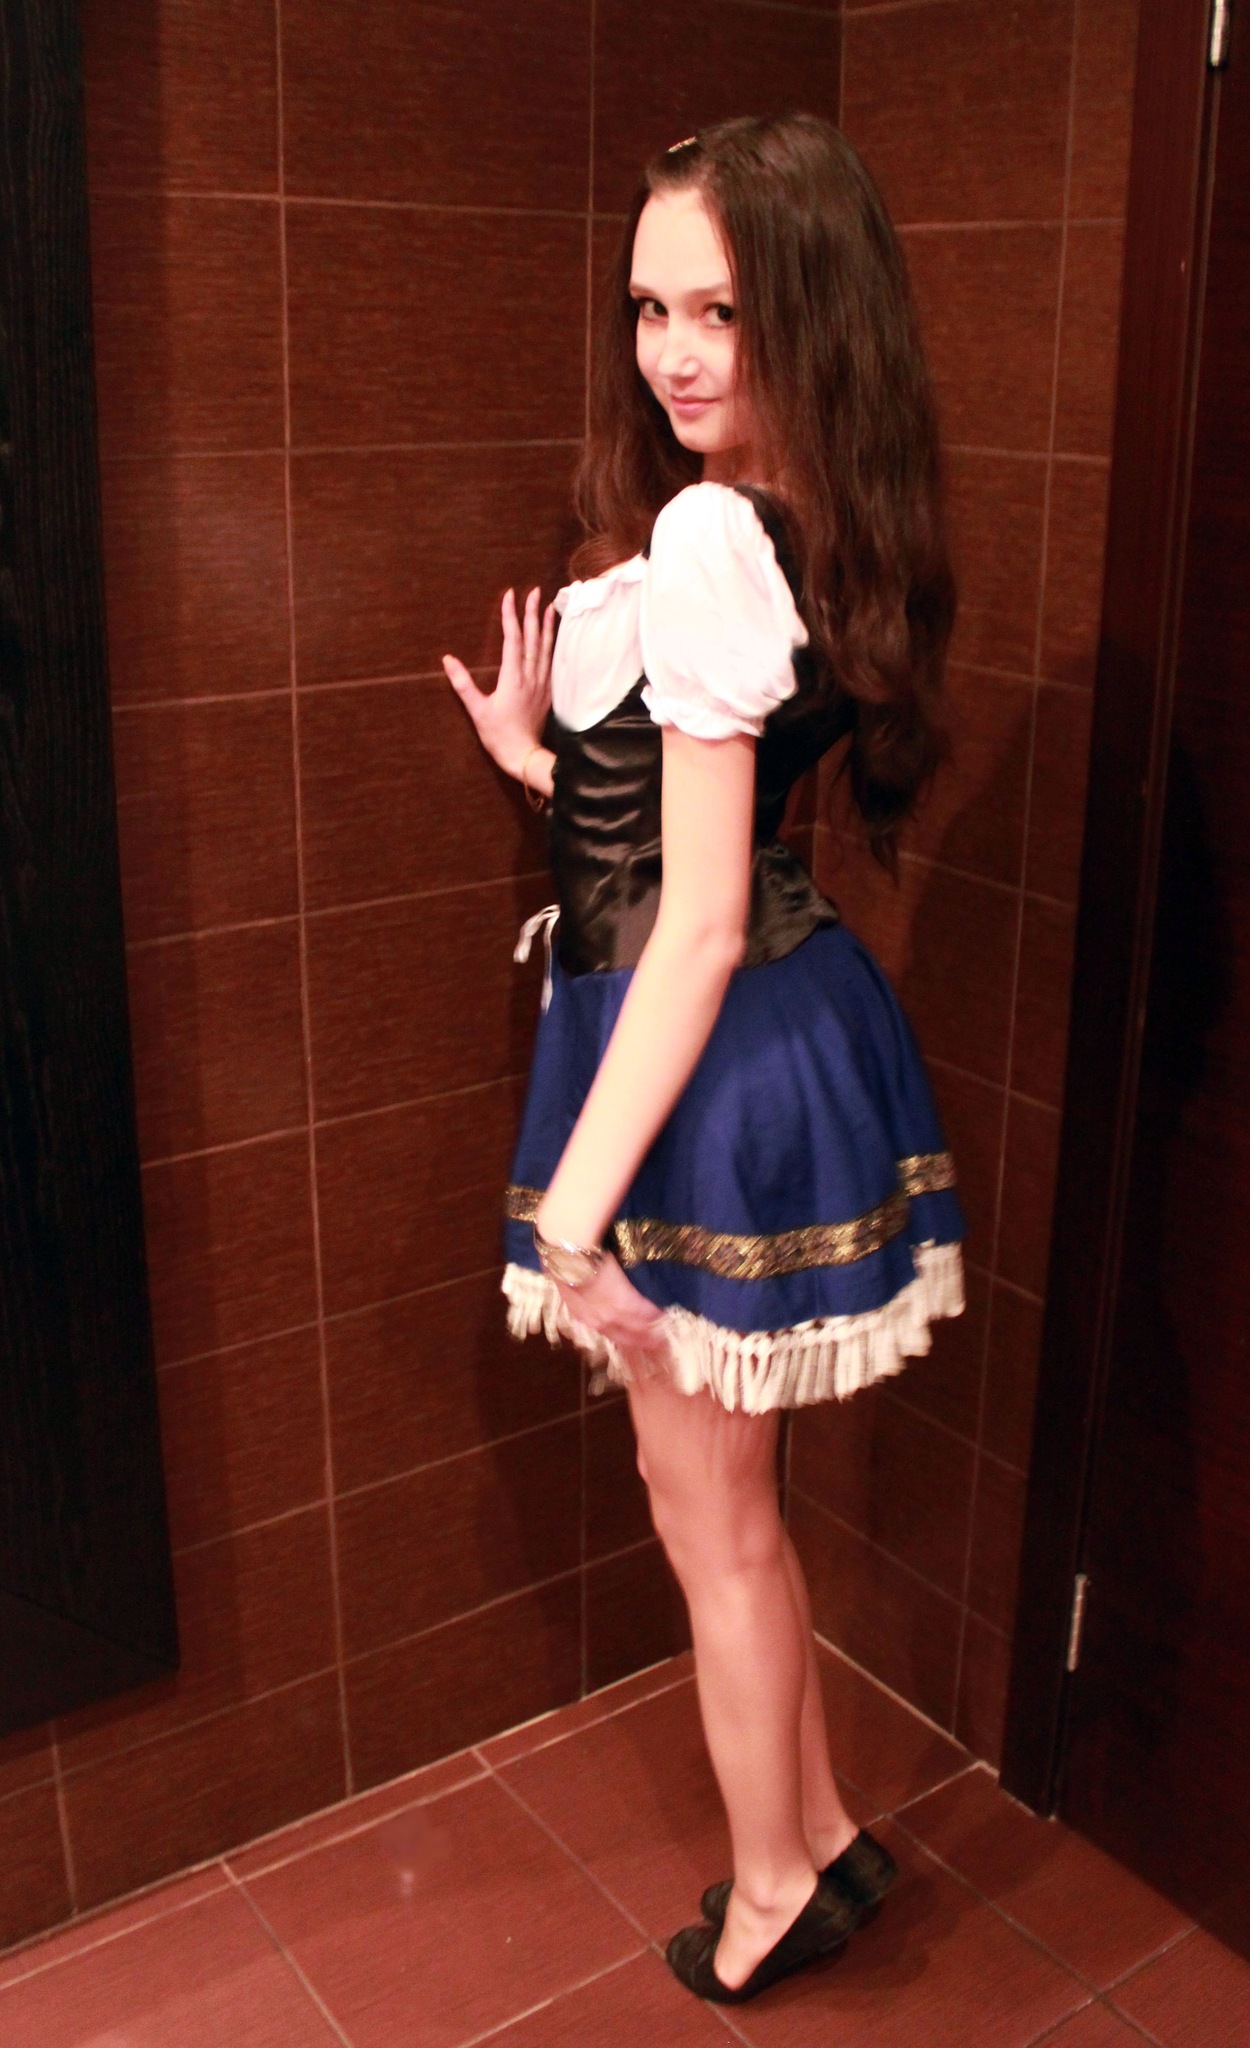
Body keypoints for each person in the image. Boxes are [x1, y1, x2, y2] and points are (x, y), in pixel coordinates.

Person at [443, 113, 965, 2007]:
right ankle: (815, 1832)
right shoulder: (805, 509)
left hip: (703, 1053)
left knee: (711, 1522)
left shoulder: (711, 529)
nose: (672, 352)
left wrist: (569, 1221)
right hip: (746, 1031)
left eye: (720, 311)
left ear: (807, 312)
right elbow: (685, 834)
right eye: (650, 307)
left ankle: (767, 1891)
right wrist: (548, 761)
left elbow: (701, 920)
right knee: (729, 1511)